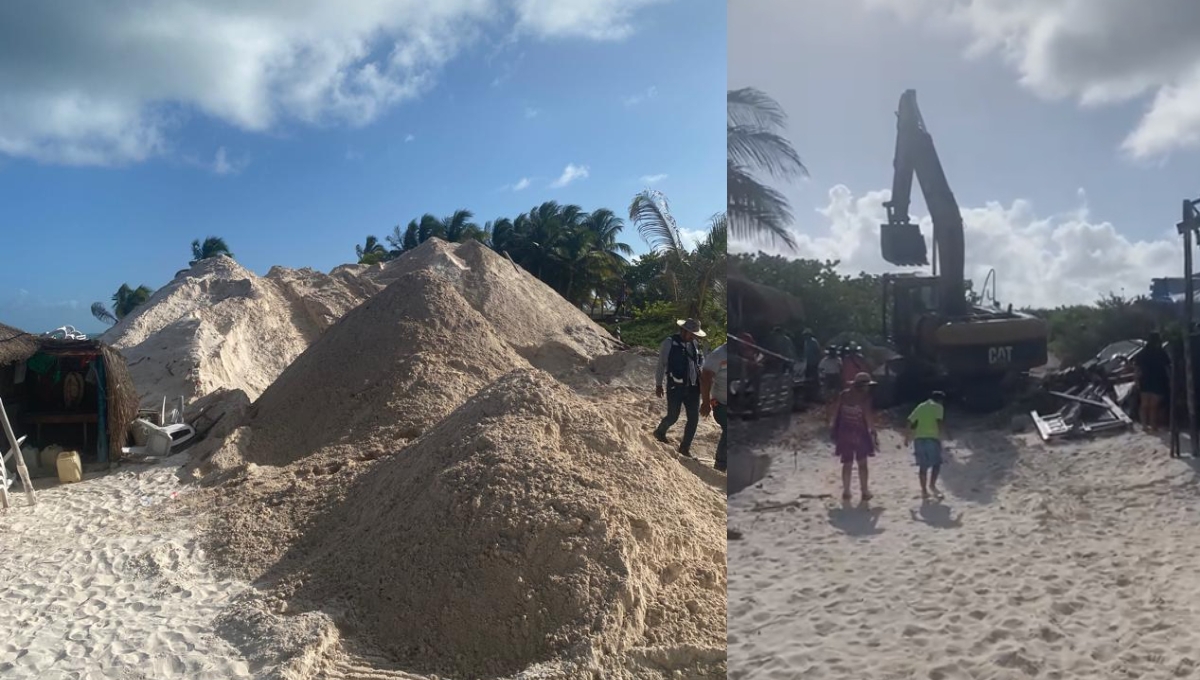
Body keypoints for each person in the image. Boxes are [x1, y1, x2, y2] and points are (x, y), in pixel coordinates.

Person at [654, 318, 706, 457]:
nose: (693, 336)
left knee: (694, 419)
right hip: (675, 386)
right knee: (673, 416)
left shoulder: (695, 344)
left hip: (693, 388)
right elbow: (661, 365)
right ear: (683, 330)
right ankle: (660, 432)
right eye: (691, 333)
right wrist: (658, 384)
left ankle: (685, 447)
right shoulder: (669, 343)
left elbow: (700, 363)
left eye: (695, 334)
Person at [828, 371, 879, 501]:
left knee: (847, 463)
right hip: (860, 433)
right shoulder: (865, 398)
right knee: (862, 464)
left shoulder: (844, 395)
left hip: (844, 432)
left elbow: (835, 411)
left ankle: (846, 491)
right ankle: (865, 492)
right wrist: (873, 430)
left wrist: (833, 426)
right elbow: (867, 416)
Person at [905, 390, 947, 499]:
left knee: (923, 467)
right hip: (932, 439)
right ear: (940, 400)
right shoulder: (938, 407)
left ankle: (924, 491)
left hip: (918, 439)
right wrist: (946, 434)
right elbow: (939, 422)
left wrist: (907, 437)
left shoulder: (921, 406)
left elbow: (909, 420)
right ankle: (932, 485)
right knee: (936, 464)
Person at [1135, 332, 1170, 432]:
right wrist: (1170, 379)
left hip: (1145, 379)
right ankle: (1153, 425)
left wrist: (1136, 380)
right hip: (1158, 379)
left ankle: (1144, 425)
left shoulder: (1141, 353)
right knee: (1154, 406)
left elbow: (1137, 369)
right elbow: (1167, 367)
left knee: (1144, 404)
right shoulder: (1161, 352)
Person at [700, 342, 728, 472]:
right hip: (720, 403)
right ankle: (720, 463)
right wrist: (705, 402)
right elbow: (706, 378)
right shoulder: (718, 355)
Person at [801, 328, 821, 400]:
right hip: (808, 362)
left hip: (814, 362)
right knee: (807, 378)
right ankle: (809, 394)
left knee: (814, 378)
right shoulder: (806, 342)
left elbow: (818, 352)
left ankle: (816, 394)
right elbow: (805, 353)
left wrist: (817, 361)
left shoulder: (813, 341)